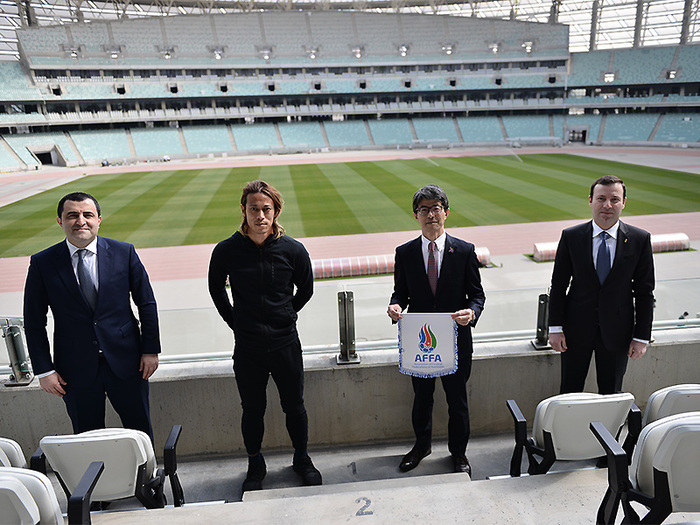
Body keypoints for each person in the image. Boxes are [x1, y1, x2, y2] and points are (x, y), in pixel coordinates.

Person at [208, 180, 321, 493]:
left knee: (294, 406)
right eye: (253, 208)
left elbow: (307, 289)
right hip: (248, 347)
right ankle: (255, 462)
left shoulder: (293, 250)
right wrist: (236, 321)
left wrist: (286, 313)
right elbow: (216, 289)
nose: (260, 215)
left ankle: (302, 458)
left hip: (285, 342)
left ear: (276, 211)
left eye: (266, 209)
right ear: (243, 211)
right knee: (252, 409)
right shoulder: (226, 250)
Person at [23, 191, 160, 440]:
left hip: (128, 363)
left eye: (88, 215)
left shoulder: (124, 252)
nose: (81, 221)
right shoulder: (43, 263)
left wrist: (150, 350)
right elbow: (34, 321)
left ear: (99, 219)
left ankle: (147, 479)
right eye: (72, 215)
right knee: (87, 438)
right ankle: (97, 480)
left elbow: (146, 303)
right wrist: (44, 370)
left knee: (140, 432)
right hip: (74, 370)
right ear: (60, 221)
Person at [387, 184, 485, 475]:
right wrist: (394, 307)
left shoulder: (465, 250)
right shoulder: (404, 253)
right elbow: (400, 293)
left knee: (458, 400)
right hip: (420, 340)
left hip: (456, 339)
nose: (431, 214)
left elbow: (477, 295)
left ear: (446, 212)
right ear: (416, 215)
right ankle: (421, 446)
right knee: (422, 398)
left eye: (436, 208)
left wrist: (473, 312)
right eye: (424, 209)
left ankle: (459, 454)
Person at [548, 175, 655, 394]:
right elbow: (558, 286)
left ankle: (609, 430)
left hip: (618, 333)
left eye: (614, 199)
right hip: (575, 331)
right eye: (601, 198)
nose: (607, 205)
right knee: (569, 390)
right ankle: (568, 429)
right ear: (590, 201)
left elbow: (644, 292)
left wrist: (641, 336)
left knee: (611, 392)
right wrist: (555, 328)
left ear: (624, 203)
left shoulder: (640, 239)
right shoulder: (571, 236)